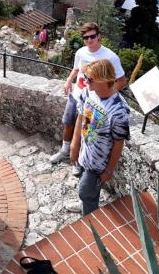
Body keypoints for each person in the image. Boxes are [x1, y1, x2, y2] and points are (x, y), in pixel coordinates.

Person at [50, 22, 127, 176]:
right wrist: (68, 81)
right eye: (86, 37)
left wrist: (105, 96)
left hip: (93, 103)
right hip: (77, 95)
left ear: (99, 36)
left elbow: (122, 80)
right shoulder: (81, 52)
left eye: (92, 36)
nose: (89, 40)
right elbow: (76, 69)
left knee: (88, 133)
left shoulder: (110, 57)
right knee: (68, 123)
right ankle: (65, 150)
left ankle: (77, 161)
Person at [70, 59, 130, 216]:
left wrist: (109, 170)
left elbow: (118, 143)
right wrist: (74, 145)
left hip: (98, 164)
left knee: (86, 193)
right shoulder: (88, 92)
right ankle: (86, 206)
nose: (85, 81)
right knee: (85, 187)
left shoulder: (118, 111)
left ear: (104, 79)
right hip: (85, 152)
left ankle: (89, 219)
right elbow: (81, 117)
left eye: (89, 79)